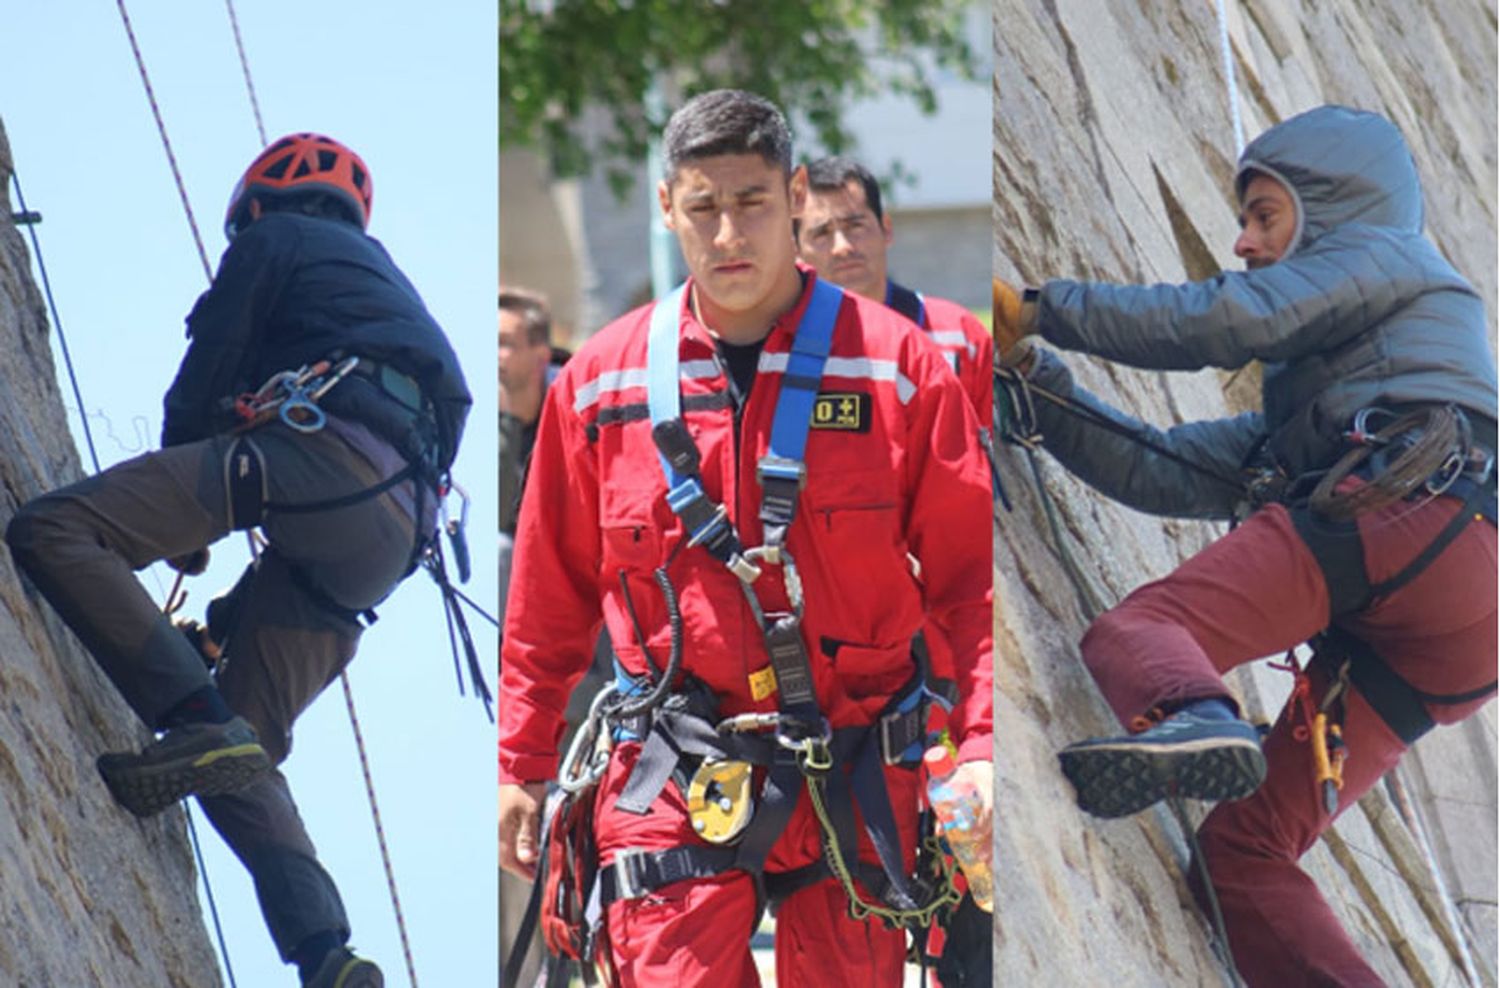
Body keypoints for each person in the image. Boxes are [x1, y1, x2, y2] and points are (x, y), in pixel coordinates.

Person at [498, 89, 993, 987]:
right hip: (675, 761)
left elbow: (973, 583)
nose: (728, 235)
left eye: (753, 203)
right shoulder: (601, 387)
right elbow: (547, 593)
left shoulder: (899, 367)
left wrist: (986, 750)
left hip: (858, 760)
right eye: (703, 208)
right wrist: (521, 765)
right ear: (666, 209)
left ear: (796, 195)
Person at [992, 105, 1496, 986]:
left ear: (1334, 212)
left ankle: (1195, 718)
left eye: (1266, 215)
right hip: (1457, 627)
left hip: (1415, 510)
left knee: (1141, 636)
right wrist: (1038, 383)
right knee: (1242, 857)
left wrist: (1039, 310)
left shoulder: (1392, 260)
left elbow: (1226, 322)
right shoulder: (1320, 422)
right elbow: (1165, 472)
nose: (1244, 242)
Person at [6, 132, 472, 988]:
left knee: (55, 532)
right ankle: (327, 953)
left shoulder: (275, 239)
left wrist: (183, 529)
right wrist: (221, 626)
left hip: (322, 458)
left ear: (255, 207)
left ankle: (194, 703)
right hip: (393, 542)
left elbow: (208, 369)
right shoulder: (406, 310)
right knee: (234, 749)